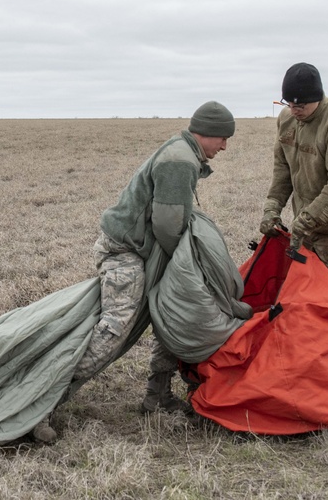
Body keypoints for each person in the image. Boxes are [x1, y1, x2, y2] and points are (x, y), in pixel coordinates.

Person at [32, 101, 236, 445]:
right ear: (209, 133)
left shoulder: (183, 153)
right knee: (114, 331)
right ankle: (39, 403)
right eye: (223, 139)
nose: (225, 147)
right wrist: (185, 267)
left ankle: (158, 395)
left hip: (143, 250)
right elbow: (169, 225)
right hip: (125, 254)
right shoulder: (180, 161)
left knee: (173, 313)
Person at [259, 63, 328, 384]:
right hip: (305, 234)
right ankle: (317, 377)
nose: (294, 110)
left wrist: (306, 220)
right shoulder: (287, 121)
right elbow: (282, 169)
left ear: (318, 98)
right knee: (306, 307)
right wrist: (272, 208)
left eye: (301, 104)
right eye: (288, 103)